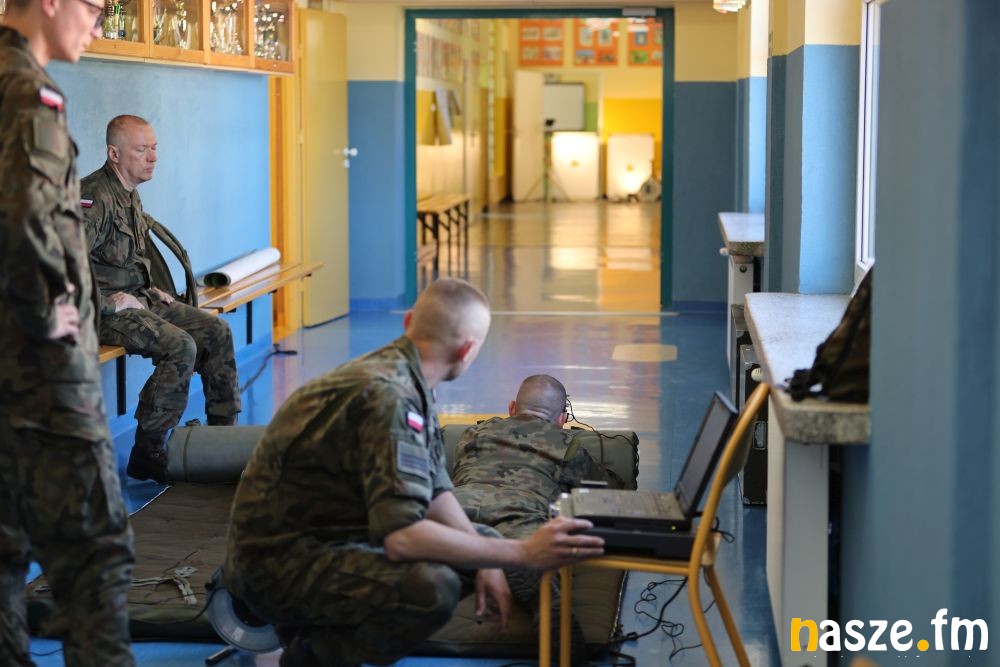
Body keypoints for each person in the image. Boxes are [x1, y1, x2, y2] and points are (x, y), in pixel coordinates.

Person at [224, 278, 604, 667]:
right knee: (430, 589)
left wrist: (490, 556)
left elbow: (437, 490)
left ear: (408, 321)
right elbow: (402, 539)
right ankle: (309, 657)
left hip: (317, 538)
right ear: (467, 350)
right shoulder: (389, 397)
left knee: (481, 540)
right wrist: (521, 551)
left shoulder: (403, 378)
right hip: (274, 566)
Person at [0, 1, 136, 665]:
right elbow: (28, 217)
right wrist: (51, 318)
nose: (100, 24)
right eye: (95, 7)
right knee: (96, 554)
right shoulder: (30, 93)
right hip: (41, 365)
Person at [80, 114, 240, 483]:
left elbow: (126, 257)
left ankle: (224, 439)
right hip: (100, 309)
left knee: (217, 331)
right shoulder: (92, 198)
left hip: (138, 298)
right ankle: (148, 451)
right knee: (180, 346)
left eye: (154, 148)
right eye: (141, 150)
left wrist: (151, 287)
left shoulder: (128, 193)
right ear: (114, 154)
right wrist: (109, 303)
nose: (152, 157)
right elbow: (62, 267)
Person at [452, 374, 613, 667]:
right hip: (520, 517)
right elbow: (597, 496)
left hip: (458, 514)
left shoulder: (474, 433)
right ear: (561, 419)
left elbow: (458, 471)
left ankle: (474, 562)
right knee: (541, 573)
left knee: (428, 553)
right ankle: (561, 639)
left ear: (512, 407)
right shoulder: (569, 446)